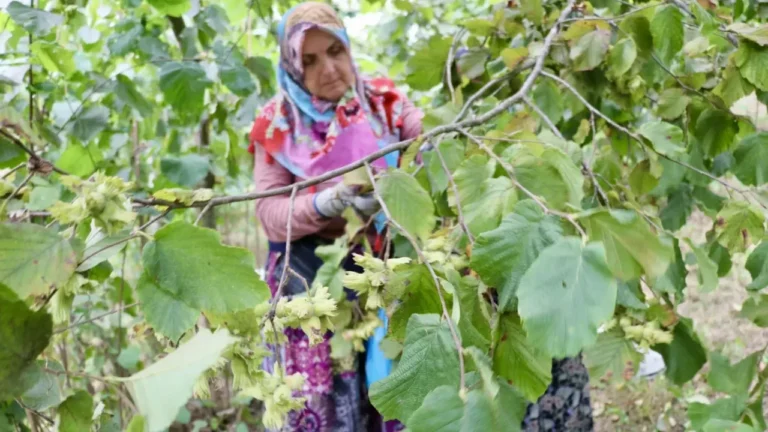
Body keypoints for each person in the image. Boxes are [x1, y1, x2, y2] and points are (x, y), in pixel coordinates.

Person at [247, 2, 422, 431]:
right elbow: (268, 212)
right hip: (311, 284)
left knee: (392, 388)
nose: (328, 68)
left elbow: (428, 144)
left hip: (383, 274)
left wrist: (398, 186)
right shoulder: (277, 123)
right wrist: (325, 202)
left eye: (335, 51)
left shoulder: (384, 104)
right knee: (325, 408)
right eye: (309, 60)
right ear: (291, 65)